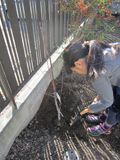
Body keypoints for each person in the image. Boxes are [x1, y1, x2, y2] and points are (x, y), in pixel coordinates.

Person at [63, 40, 120, 136]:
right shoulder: (96, 50)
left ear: (79, 64)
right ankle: (103, 117)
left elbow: (107, 102)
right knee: (113, 97)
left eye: (75, 70)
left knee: (115, 108)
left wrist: (92, 108)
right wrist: (99, 96)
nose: (78, 73)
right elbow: (108, 76)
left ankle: (106, 128)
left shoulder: (97, 70)